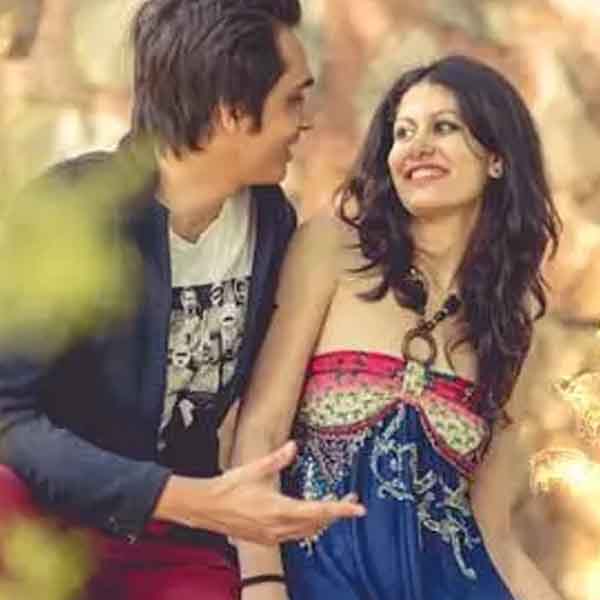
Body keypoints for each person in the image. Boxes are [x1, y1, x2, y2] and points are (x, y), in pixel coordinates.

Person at [0, 1, 365, 599]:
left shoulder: (271, 222)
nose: (305, 123)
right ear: (230, 111)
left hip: (169, 538)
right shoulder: (70, 207)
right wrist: (182, 498)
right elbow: (8, 417)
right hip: (49, 513)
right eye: (293, 101)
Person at [232, 55, 564, 600]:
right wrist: (262, 581)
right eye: (403, 132)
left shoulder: (509, 324)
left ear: (497, 158)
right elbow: (260, 433)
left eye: (444, 127)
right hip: (317, 582)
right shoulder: (332, 249)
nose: (417, 147)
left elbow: (495, 534)